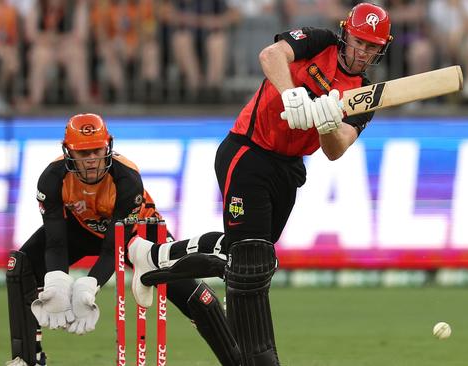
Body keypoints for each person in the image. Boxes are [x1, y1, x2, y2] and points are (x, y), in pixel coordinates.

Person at [127, 3, 392, 365]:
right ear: (346, 33)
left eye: (371, 47)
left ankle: (152, 258)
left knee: (247, 256)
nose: (362, 52)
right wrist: (292, 94)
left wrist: (327, 123)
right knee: (250, 259)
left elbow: (337, 148)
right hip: (249, 151)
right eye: (359, 41)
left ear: (381, 49)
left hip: (288, 170)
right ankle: (260, 358)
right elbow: (271, 55)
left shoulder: (364, 92)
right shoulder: (320, 42)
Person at [6, 113, 239, 366]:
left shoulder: (126, 178)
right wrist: (57, 283)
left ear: (108, 146)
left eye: (97, 150)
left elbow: (112, 249)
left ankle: (239, 359)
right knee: (21, 265)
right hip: (83, 227)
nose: (92, 160)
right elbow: (56, 241)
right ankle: (29, 358)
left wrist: (89, 286)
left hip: (138, 232)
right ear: (68, 152)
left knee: (191, 295)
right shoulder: (52, 178)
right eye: (84, 154)